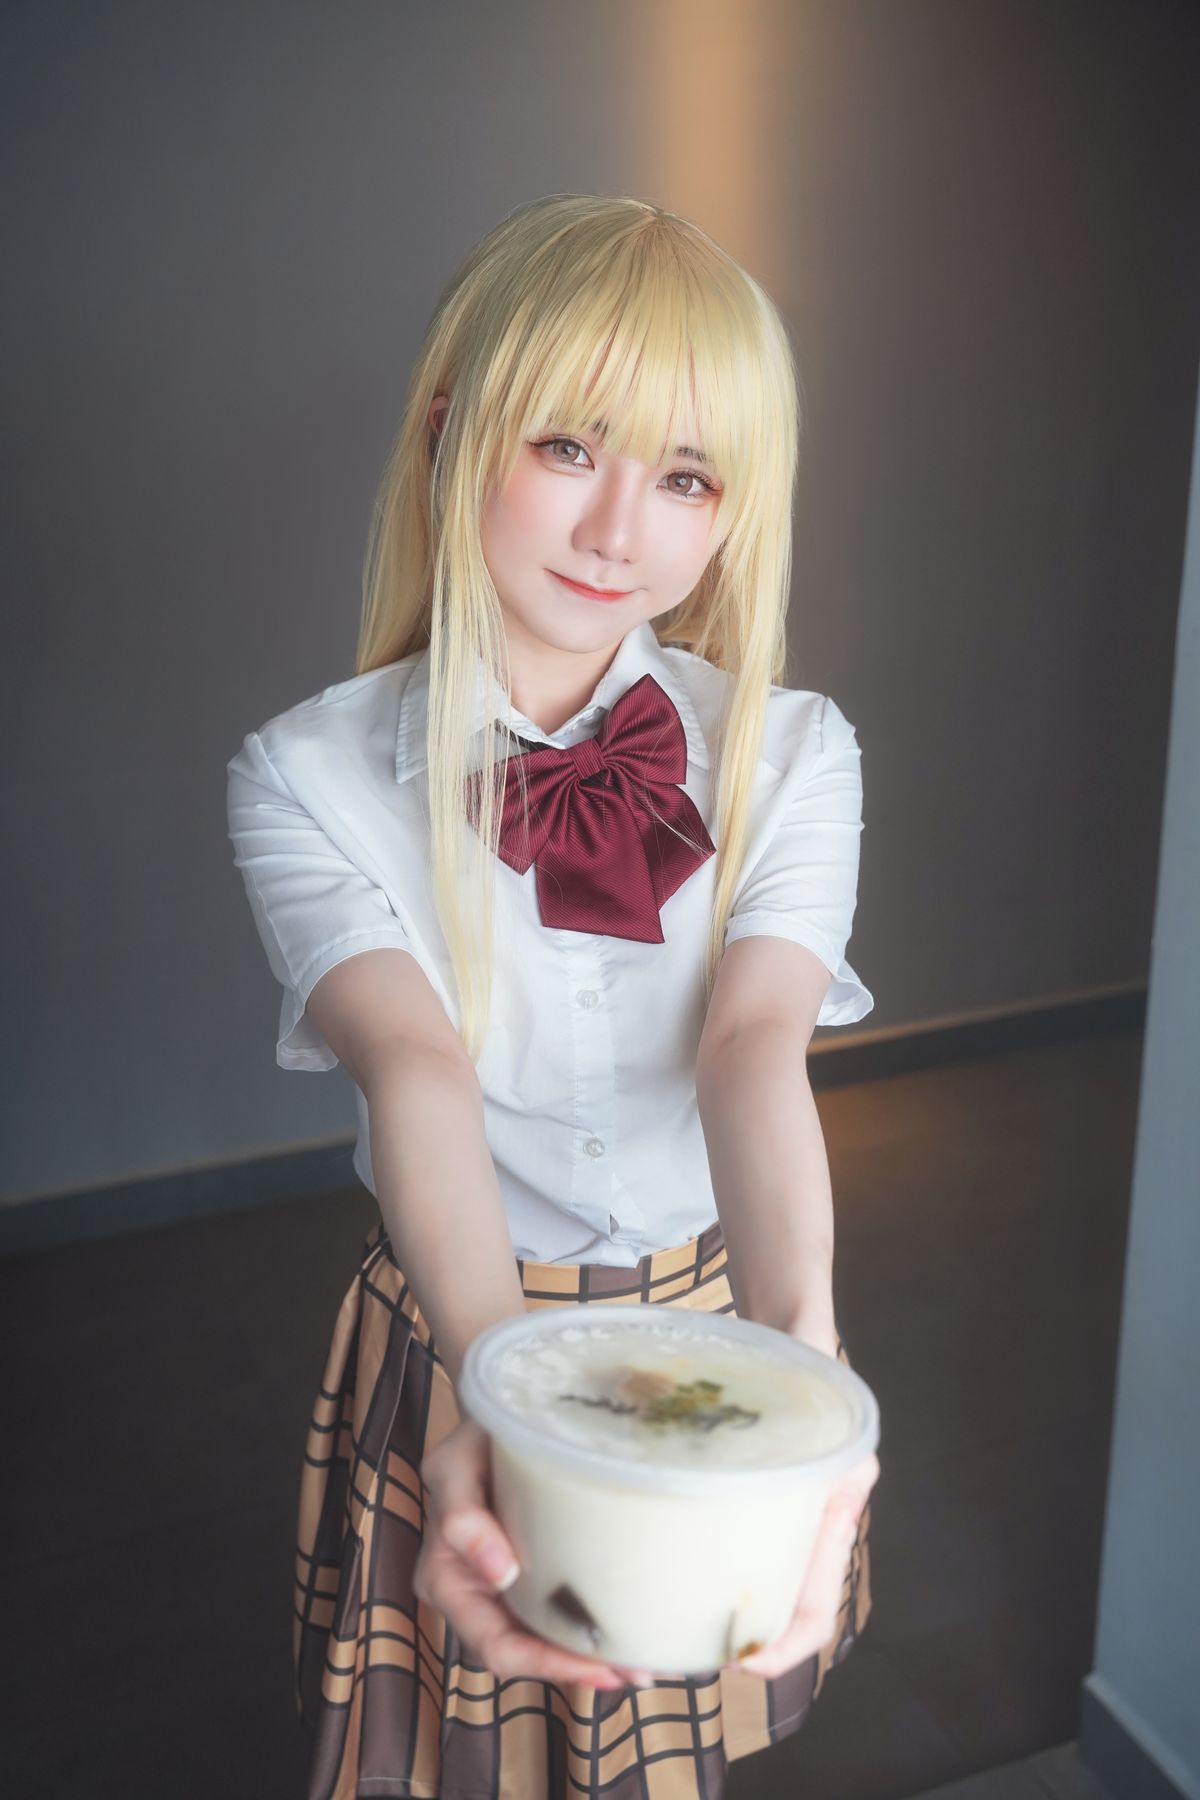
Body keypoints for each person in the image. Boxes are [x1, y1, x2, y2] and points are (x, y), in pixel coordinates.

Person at [225, 192, 881, 1800]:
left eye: (687, 478)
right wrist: (504, 1388)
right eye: (570, 448)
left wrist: (809, 1369)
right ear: (451, 433)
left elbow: (753, 1047)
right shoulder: (301, 776)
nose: (617, 533)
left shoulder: (797, 753)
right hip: (467, 1327)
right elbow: (417, 1070)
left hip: (716, 1319)